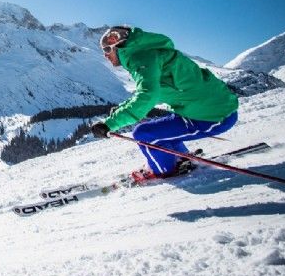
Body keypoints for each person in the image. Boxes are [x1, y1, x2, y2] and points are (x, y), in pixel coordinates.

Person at [90, 26, 239, 182]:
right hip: (206, 109)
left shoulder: (141, 58)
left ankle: (163, 172)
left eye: (107, 49)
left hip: (213, 116)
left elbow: (148, 95)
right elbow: (156, 91)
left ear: (118, 45)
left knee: (144, 134)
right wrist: (122, 109)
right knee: (158, 130)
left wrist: (110, 124)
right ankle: (180, 159)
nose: (105, 55)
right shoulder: (148, 54)